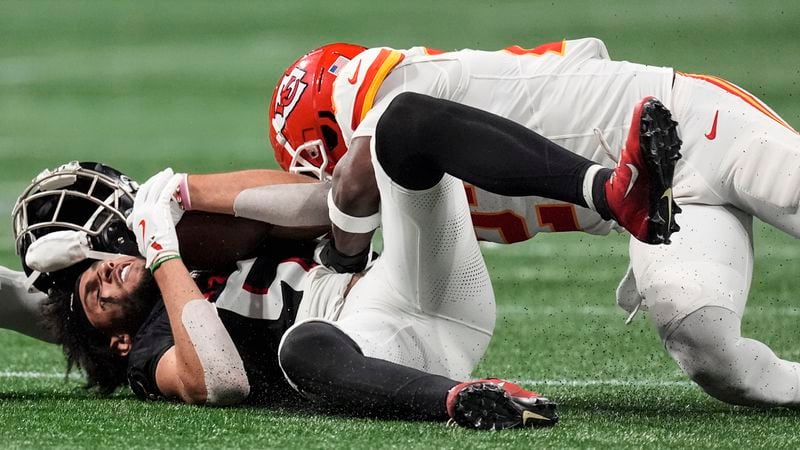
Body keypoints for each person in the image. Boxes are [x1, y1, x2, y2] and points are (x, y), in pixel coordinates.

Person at [268, 38, 800, 407]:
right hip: (662, 210)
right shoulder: (413, 174)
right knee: (711, 352)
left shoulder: (386, 84)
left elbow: (355, 179)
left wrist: (342, 259)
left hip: (694, 123)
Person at [13, 161, 560, 429]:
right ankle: (461, 398)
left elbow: (330, 201)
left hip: (414, 281)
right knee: (306, 347)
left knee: (404, 128)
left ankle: (604, 189)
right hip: (382, 349)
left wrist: (183, 194)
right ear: (120, 342)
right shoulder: (152, 347)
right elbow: (221, 380)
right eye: (92, 289)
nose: (106, 271)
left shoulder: (200, 248)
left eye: (100, 264)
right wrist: (162, 256)